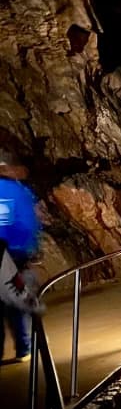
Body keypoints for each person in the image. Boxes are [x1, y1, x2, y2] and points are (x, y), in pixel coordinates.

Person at [0, 151, 42, 362]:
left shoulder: (15, 190)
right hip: (15, 253)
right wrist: (30, 249)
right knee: (17, 298)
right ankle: (25, 347)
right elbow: (27, 223)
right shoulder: (16, 191)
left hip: (10, 252)